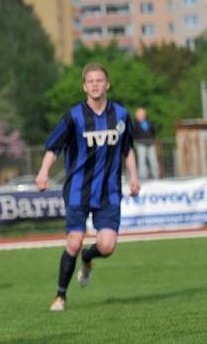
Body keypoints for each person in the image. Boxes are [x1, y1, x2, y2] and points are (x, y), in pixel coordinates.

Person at [35, 63, 140, 312]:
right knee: (74, 241)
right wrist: (43, 171)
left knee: (107, 246)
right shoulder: (74, 116)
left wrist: (134, 176)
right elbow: (54, 147)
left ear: (107, 84)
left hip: (109, 192)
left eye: (99, 80)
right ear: (84, 86)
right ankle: (60, 297)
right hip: (77, 190)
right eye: (90, 81)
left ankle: (88, 258)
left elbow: (128, 149)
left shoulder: (122, 115)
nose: (95, 84)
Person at [133, 108, 160, 180]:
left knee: (153, 161)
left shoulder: (149, 122)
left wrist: (152, 139)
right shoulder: (134, 124)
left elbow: (153, 132)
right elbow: (133, 134)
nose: (140, 116)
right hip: (140, 145)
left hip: (150, 144)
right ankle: (143, 178)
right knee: (142, 162)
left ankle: (156, 177)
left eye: (142, 114)